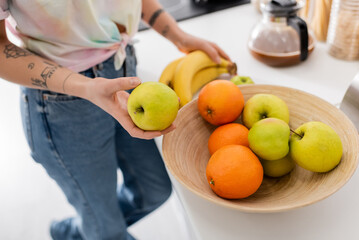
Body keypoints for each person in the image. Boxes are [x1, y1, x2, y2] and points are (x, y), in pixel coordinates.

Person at [0, 0, 230, 239]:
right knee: (106, 228)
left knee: (153, 190)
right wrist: (85, 87)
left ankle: (79, 230)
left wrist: (178, 36)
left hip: (123, 67)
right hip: (62, 98)